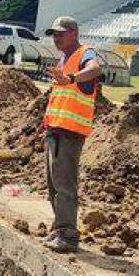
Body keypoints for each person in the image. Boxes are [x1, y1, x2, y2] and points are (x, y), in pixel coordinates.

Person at [40, 16, 104, 254]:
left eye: (61, 34)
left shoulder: (84, 54)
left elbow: (95, 69)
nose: (56, 38)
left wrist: (73, 78)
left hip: (69, 132)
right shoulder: (64, 59)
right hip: (55, 130)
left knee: (64, 184)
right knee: (54, 185)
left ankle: (68, 235)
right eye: (54, 34)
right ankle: (59, 229)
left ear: (74, 33)